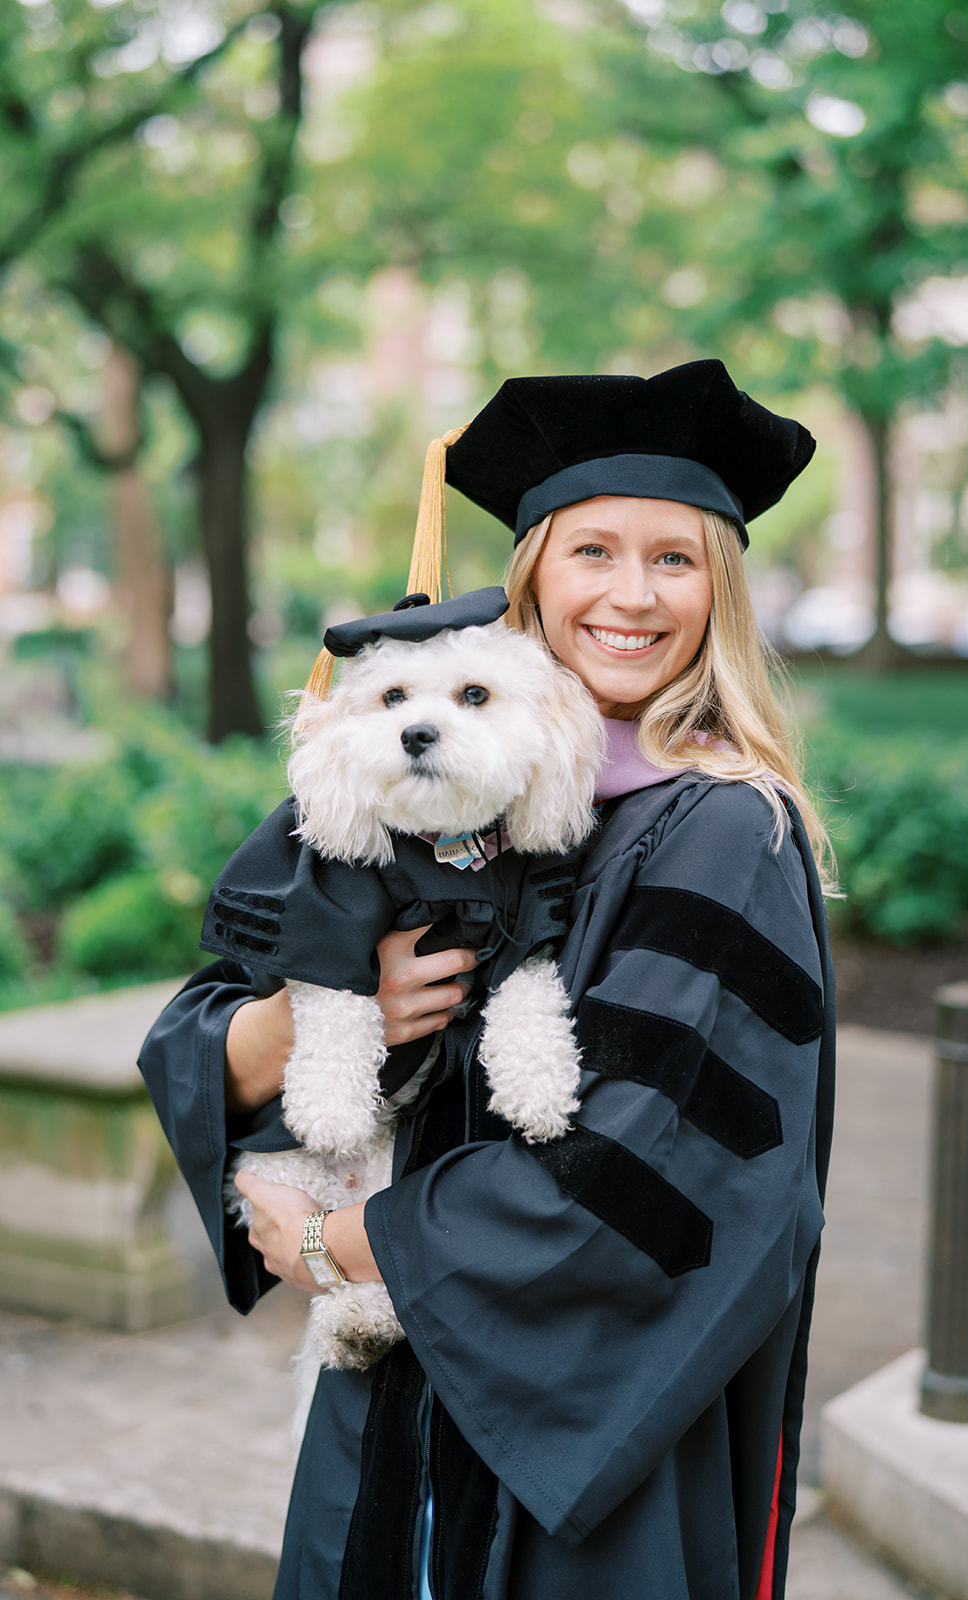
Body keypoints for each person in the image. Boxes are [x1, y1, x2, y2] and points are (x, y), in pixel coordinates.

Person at [139, 358, 835, 1600]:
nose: (632, 596)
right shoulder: (429, 769)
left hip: (566, 1437)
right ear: (531, 578)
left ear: (718, 592)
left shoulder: (721, 829)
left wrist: (338, 1241)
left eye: (674, 560)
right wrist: (295, 1023)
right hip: (382, 1412)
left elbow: (652, 1171)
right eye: (593, 553)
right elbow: (211, 1007)